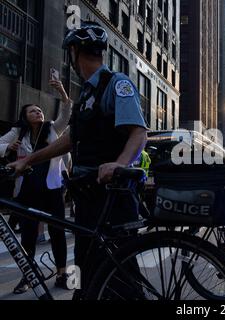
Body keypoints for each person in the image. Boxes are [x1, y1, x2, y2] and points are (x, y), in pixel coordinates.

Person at [8, 21, 148, 299]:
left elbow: (139, 132)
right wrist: (29, 160)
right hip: (86, 196)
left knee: (119, 276)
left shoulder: (116, 84)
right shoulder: (86, 93)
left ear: (73, 52)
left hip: (111, 198)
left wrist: (120, 163)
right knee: (85, 272)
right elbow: (69, 139)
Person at [0, 80, 72, 294]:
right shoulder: (18, 132)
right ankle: (28, 275)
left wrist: (62, 92)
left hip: (52, 188)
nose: (38, 112)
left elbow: (66, 115)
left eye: (40, 110)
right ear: (25, 116)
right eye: (33, 111)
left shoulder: (52, 128)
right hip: (27, 189)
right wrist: (7, 147)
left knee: (57, 231)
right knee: (28, 235)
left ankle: (62, 273)